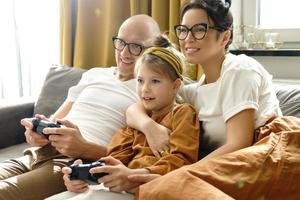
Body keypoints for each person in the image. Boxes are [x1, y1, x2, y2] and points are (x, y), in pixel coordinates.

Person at [123, 0, 300, 199]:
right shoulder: (195, 91)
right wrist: (150, 127)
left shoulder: (240, 69)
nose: (187, 38)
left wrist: (179, 174)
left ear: (225, 37)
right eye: (183, 30)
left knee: (166, 185)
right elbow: (135, 108)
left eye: (199, 29)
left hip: (276, 148)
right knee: (159, 188)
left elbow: (239, 143)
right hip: (243, 162)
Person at [0, 14, 161, 200]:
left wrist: (83, 147)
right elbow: (57, 118)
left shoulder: (151, 89)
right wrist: (39, 132)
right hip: (37, 154)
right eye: (121, 42)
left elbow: (135, 156)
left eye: (136, 46)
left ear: (154, 49)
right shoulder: (95, 74)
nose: (124, 53)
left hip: (71, 164)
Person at [46, 36, 200, 200]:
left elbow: (180, 161)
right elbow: (114, 160)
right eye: (140, 81)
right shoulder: (133, 126)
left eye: (155, 81)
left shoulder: (183, 113)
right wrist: (87, 172)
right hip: (120, 187)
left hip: (147, 189)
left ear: (175, 86)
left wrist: (131, 175)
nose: (145, 89)